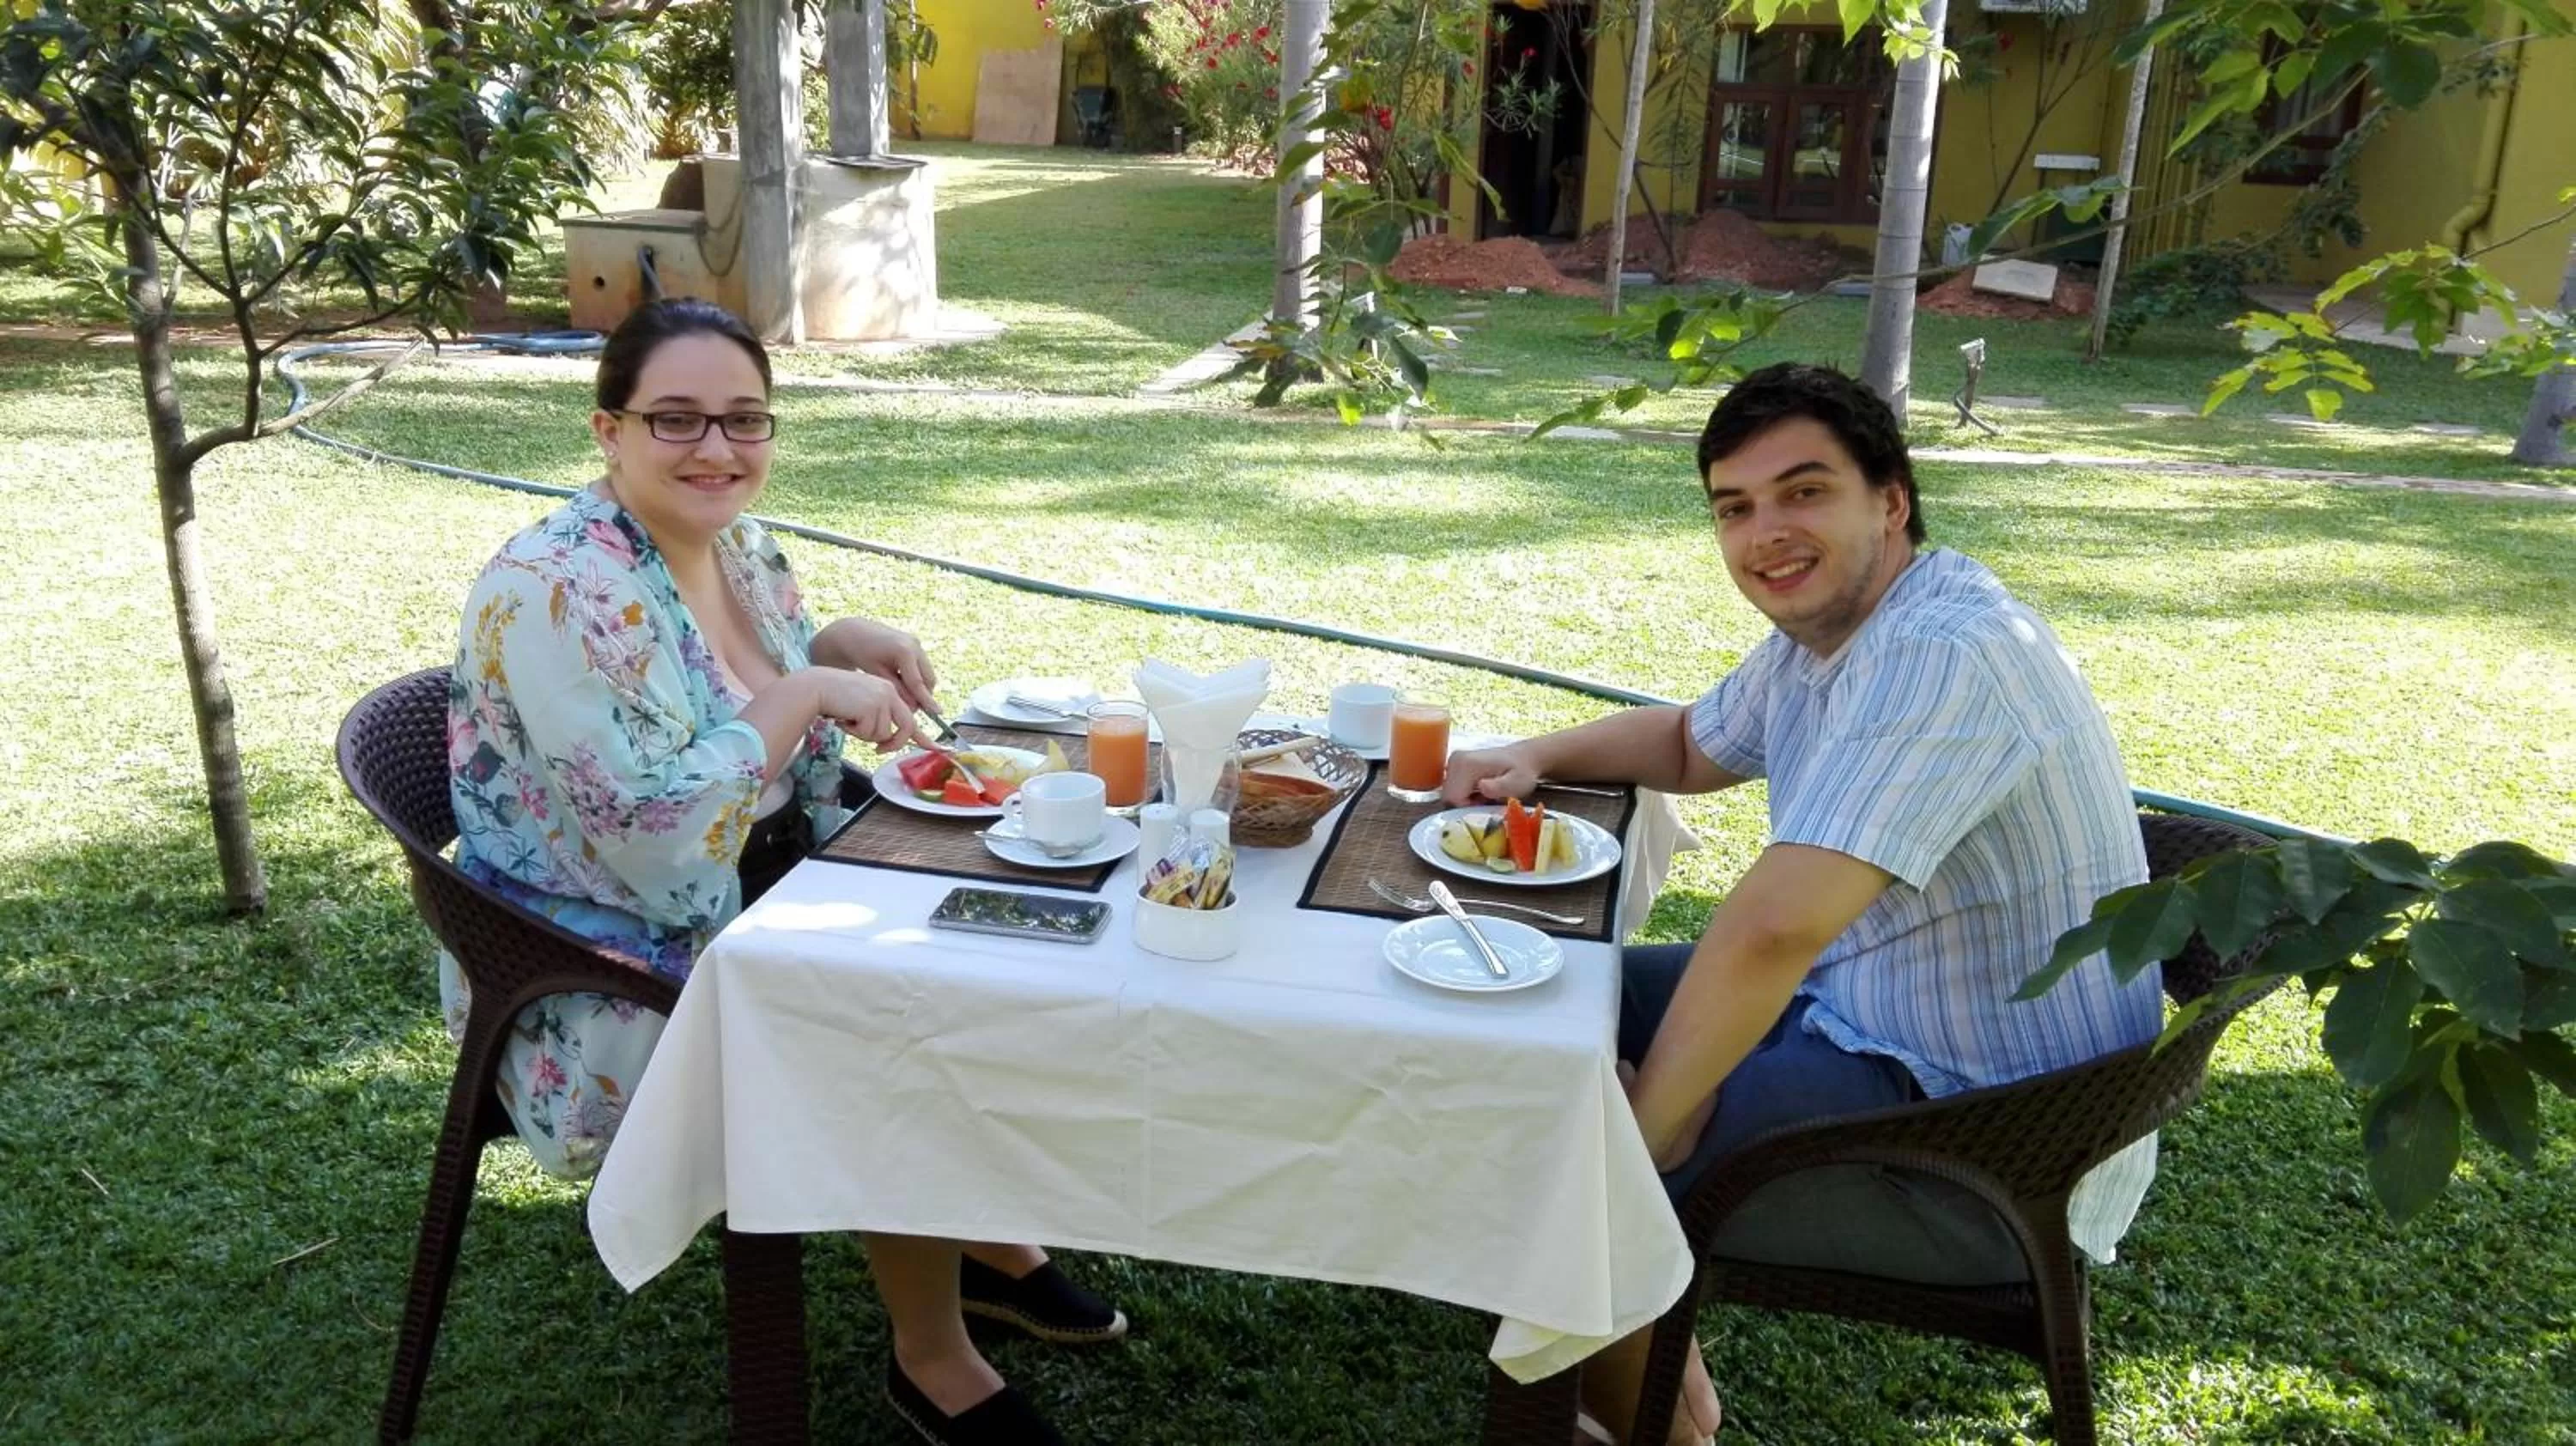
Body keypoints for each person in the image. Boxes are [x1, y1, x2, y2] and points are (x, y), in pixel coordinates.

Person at [1443, 363, 2163, 1445]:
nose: (1764, 532)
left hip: (1985, 1143)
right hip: (1869, 1011)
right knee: (1525, 1010)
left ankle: (1645, 1418)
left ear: (1891, 499)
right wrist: (1530, 754)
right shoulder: (1834, 636)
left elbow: (1776, 924)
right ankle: (1658, 1393)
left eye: (1804, 491)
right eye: (1735, 508)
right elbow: (1691, 744)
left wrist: (1651, 1122)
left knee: (1558, 1156)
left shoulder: (1940, 654)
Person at [444, 297, 1118, 1445]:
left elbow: (725, 697)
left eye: (745, 419)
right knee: (876, 1019)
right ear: (608, 431)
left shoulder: (737, 549)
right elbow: (657, 840)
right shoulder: (552, 590)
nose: (718, 449)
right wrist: (805, 694)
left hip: (764, 887)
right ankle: (931, 1355)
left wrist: (827, 646)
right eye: (677, 420)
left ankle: (979, 1234)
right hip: (604, 964)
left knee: (983, 939)